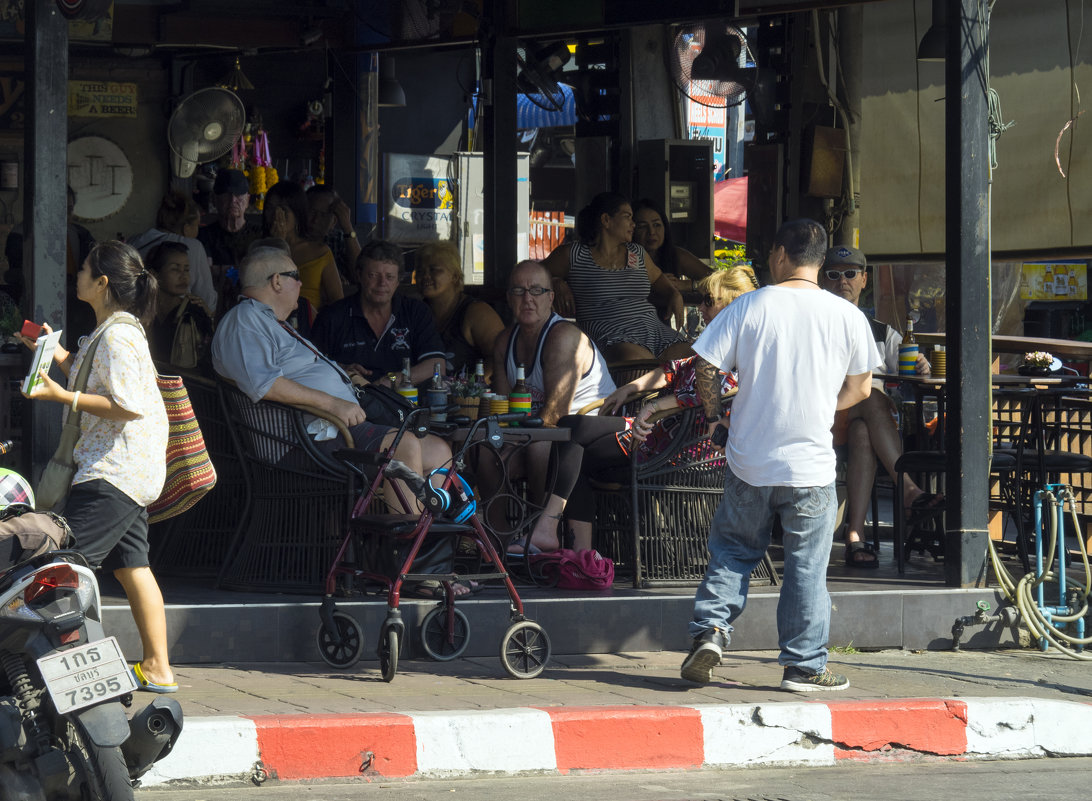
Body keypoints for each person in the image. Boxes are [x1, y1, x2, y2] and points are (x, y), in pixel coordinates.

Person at [678, 219, 877, 693]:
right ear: (821, 262)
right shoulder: (848, 316)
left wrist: (713, 417)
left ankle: (710, 633)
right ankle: (804, 667)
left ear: (782, 254)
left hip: (750, 459)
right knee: (807, 566)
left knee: (732, 551)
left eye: (771, 254)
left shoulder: (749, 305)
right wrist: (814, 404)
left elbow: (705, 368)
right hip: (810, 466)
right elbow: (861, 388)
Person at [19, 241, 175, 692]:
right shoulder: (111, 331)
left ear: (103, 282)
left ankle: (59, 670)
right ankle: (158, 668)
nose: (78, 274)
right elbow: (93, 379)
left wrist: (60, 396)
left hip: (113, 471)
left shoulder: (120, 335)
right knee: (133, 568)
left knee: (63, 568)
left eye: (85, 269)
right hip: (127, 471)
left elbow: (125, 404)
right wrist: (54, 351)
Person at [536, 266, 758, 553]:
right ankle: (577, 552)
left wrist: (656, 405)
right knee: (573, 449)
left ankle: (557, 535)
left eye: (708, 300)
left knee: (572, 431)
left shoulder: (742, 346)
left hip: (682, 451)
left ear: (731, 304)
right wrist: (630, 388)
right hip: (658, 437)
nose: (700, 306)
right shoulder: (714, 344)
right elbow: (673, 369)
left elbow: (721, 389)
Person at [819, 245, 940, 568]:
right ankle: (908, 490)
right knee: (869, 395)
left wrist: (922, 366)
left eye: (849, 274)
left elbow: (909, 367)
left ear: (863, 280)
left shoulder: (882, 332)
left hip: (862, 427)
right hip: (820, 420)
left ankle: (855, 536)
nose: (841, 280)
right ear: (821, 280)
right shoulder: (815, 325)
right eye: (833, 274)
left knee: (862, 432)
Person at [492, 260, 616, 554]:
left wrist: (514, 438)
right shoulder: (503, 342)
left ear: (551, 297)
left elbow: (554, 417)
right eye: (519, 291)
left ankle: (543, 536)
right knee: (487, 451)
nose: (527, 299)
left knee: (540, 446)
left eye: (536, 290)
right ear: (509, 298)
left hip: (590, 441)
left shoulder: (563, 338)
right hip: (542, 436)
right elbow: (501, 411)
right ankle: (497, 544)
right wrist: (502, 439)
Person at [543, 192, 691, 362]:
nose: (633, 224)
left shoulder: (638, 253)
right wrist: (555, 281)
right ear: (606, 220)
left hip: (654, 331)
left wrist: (675, 294)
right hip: (612, 337)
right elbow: (529, 276)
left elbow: (659, 280)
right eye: (627, 217)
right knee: (639, 364)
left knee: (693, 360)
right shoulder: (573, 254)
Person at [311, 240, 446, 386]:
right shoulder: (332, 316)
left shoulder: (415, 312)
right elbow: (309, 365)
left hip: (406, 403)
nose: (382, 283)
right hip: (349, 402)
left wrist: (391, 381)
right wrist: (341, 368)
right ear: (359, 275)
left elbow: (437, 365)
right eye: (373, 275)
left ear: (398, 281)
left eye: (389, 277)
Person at [415, 240, 505, 381]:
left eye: (434, 269)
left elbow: (501, 356)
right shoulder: (416, 312)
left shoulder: (476, 312)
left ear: (455, 276)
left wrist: (471, 387)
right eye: (420, 271)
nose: (425, 276)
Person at [128, 190, 218, 313]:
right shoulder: (193, 247)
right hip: (177, 320)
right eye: (197, 225)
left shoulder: (134, 241)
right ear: (186, 228)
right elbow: (207, 298)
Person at [264, 181, 344, 311]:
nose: (276, 215)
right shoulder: (258, 249)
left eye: (283, 210)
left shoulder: (320, 252)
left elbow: (339, 304)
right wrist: (277, 243)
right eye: (270, 208)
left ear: (297, 214)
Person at [197, 168, 263, 306]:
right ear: (214, 200)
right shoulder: (204, 235)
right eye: (226, 195)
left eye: (239, 195)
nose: (233, 200)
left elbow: (261, 275)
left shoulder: (259, 235)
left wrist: (220, 270)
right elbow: (205, 275)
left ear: (247, 199)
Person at [145, 242, 215, 371]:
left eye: (186, 269)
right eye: (175, 269)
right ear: (154, 274)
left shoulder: (193, 312)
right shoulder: (142, 311)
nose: (183, 276)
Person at [632, 198, 713, 288]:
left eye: (656, 225)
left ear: (665, 227)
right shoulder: (624, 257)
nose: (651, 232)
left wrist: (687, 285)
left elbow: (719, 281)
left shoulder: (676, 255)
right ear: (631, 229)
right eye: (642, 226)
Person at [306, 184, 361, 287]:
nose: (315, 220)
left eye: (323, 215)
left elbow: (360, 274)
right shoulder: (293, 237)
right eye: (312, 212)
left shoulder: (336, 239)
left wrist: (348, 227)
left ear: (333, 221)